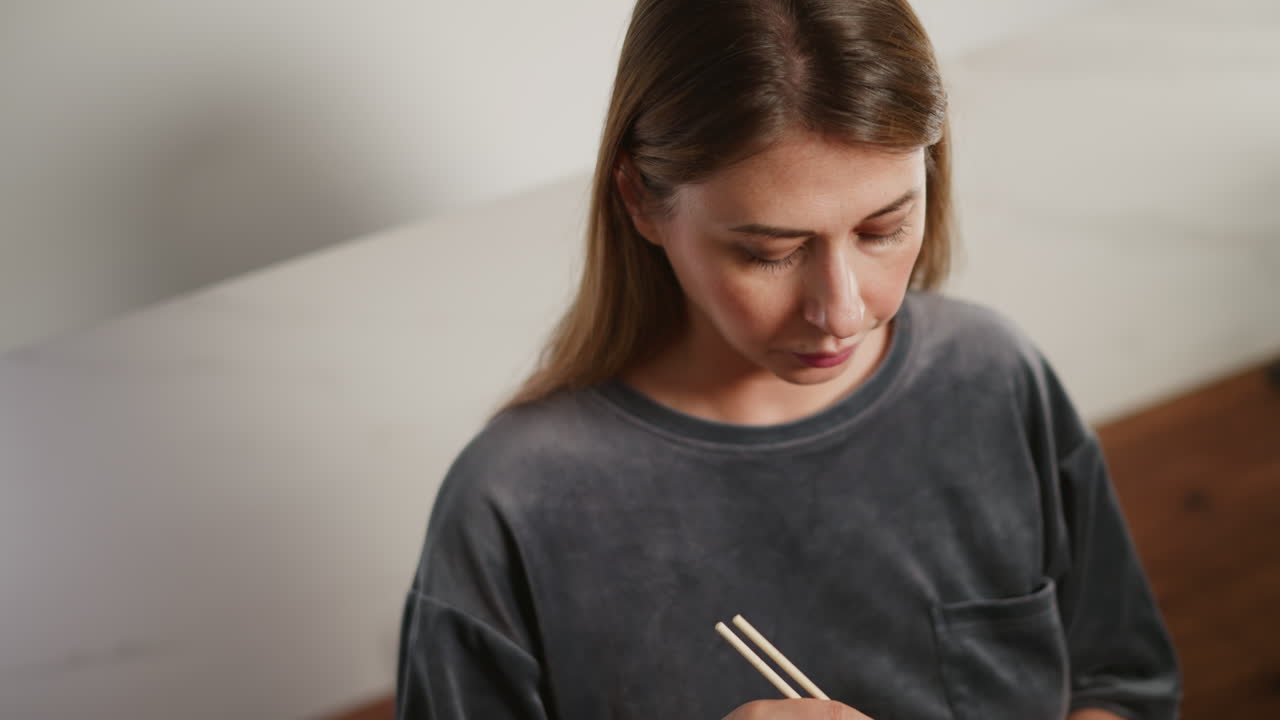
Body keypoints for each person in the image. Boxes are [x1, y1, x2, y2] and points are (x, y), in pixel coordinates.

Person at [395, 0, 1181, 718]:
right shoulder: (514, 505)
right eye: (770, 252)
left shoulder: (992, 374)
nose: (842, 308)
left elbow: (1123, 683)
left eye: (883, 230)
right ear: (640, 199)